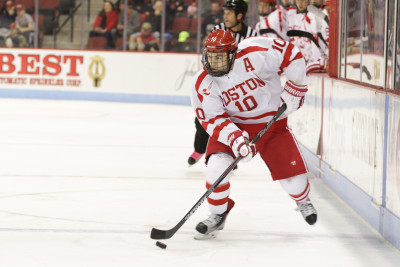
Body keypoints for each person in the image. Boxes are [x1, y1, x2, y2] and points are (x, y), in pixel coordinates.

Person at [190, 29, 317, 240]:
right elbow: (212, 119)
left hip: (272, 122)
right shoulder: (203, 81)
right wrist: (236, 139)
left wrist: (296, 88)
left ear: (233, 53)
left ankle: (302, 200)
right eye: (211, 56)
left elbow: (292, 54)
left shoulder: (256, 51)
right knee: (215, 168)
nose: (213, 62)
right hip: (234, 125)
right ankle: (217, 214)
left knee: (295, 183)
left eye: (219, 57)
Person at [187, 0, 257, 166]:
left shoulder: (252, 34)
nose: (224, 15)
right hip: (217, 81)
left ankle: (228, 154)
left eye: (229, 13)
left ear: (239, 15)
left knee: (232, 120)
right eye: (224, 12)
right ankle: (199, 148)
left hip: (238, 84)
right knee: (202, 119)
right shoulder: (218, 30)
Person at [287, 0, 328, 75]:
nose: (300, 3)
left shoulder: (322, 17)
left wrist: (308, 67)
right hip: (309, 67)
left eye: (303, 1)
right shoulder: (304, 18)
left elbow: (326, 57)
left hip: (318, 69)